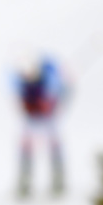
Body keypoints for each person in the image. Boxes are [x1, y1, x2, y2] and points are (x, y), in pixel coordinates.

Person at [16, 55, 67, 197]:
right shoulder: (23, 83)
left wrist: (49, 104)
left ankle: (59, 183)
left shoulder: (49, 80)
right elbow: (21, 101)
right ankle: (24, 185)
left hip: (47, 121)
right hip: (31, 121)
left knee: (55, 149)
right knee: (26, 151)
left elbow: (56, 97)